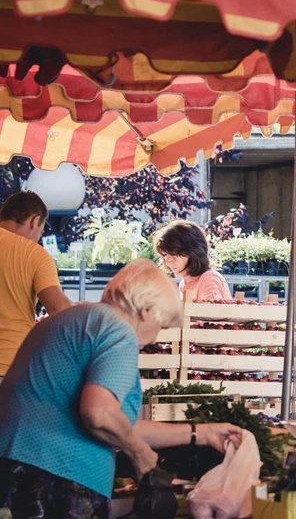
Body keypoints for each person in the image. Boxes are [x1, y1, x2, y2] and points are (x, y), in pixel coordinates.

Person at [0, 260, 243, 518]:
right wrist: (139, 453)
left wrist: (202, 433)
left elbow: (120, 426)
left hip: (15, 468)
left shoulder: (68, 320)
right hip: (60, 474)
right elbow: (99, 414)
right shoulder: (118, 331)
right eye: (161, 326)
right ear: (146, 310)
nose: (155, 337)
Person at [0, 191, 72, 381]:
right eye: (41, 231)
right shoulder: (34, 254)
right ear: (34, 221)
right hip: (9, 365)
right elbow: (58, 309)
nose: (39, 237)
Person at [153, 220, 231, 303]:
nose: (168, 261)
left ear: (193, 252)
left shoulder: (209, 280)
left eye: (174, 253)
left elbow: (212, 311)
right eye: (165, 254)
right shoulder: (185, 282)